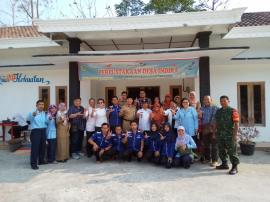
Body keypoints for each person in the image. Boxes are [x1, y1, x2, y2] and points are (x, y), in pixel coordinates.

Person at [214, 95, 240, 175]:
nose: (222, 102)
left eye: (224, 101)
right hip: (220, 134)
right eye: (221, 101)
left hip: (230, 135)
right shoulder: (218, 111)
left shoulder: (233, 111)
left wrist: (235, 135)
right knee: (221, 150)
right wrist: (215, 132)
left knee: (232, 151)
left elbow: (236, 124)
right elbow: (216, 123)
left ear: (228, 101)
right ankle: (224, 164)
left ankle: (235, 167)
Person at [27, 100, 48, 170]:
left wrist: (49, 119)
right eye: (40, 104)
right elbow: (29, 119)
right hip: (36, 131)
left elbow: (46, 122)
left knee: (43, 147)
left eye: (42, 104)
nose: (41, 106)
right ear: (36, 105)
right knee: (35, 148)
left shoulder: (44, 113)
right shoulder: (32, 112)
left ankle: (41, 161)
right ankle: (33, 164)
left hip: (43, 130)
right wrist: (33, 115)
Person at [200, 95, 219, 167]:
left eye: (208, 99)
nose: (206, 101)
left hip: (213, 128)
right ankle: (208, 158)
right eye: (205, 100)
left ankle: (215, 161)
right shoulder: (202, 108)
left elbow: (216, 118)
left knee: (214, 145)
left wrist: (214, 127)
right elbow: (200, 118)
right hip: (205, 128)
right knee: (206, 145)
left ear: (211, 100)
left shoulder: (215, 108)